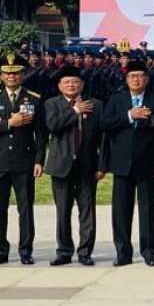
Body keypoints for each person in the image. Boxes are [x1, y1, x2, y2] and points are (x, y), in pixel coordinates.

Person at [101, 58, 154, 266]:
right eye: (132, 76)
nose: (136, 80)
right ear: (126, 79)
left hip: (147, 162)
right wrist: (130, 116)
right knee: (121, 209)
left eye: (140, 76)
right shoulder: (117, 99)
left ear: (147, 79)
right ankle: (123, 252)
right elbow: (105, 123)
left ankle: (150, 252)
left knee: (148, 209)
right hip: (122, 162)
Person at [0, 52, 45, 265]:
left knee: (25, 209)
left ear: (22, 74)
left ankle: (25, 250)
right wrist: (9, 123)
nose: (12, 77)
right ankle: (0, 251)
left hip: (23, 160)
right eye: (7, 73)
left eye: (16, 73)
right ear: (2, 75)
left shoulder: (34, 99)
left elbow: (42, 135)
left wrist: (39, 160)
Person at [42, 65, 105, 266]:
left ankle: (85, 251)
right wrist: (76, 111)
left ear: (82, 85)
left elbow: (103, 138)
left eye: (75, 82)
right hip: (61, 165)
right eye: (67, 82)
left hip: (87, 165)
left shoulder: (95, 105)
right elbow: (53, 126)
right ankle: (64, 251)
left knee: (87, 210)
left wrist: (102, 165)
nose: (71, 85)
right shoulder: (52, 104)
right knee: (63, 211)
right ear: (60, 86)